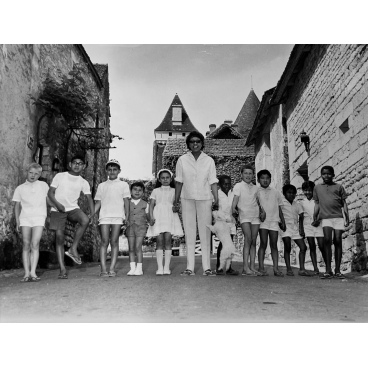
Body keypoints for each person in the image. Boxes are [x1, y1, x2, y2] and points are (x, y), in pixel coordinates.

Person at [174, 131, 219, 277]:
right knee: (190, 233)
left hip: (205, 198)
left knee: (205, 233)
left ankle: (207, 268)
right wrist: (175, 201)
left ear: (202, 143)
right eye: (192, 142)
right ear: (188, 144)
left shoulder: (209, 160)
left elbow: (213, 181)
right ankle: (190, 268)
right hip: (187, 198)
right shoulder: (182, 160)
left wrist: (216, 199)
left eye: (198, 141)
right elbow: (179, 181)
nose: (195, 144)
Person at [48, 154, 94, 279]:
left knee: (85, 220)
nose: (77, 165)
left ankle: (73, 248)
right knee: (59, 238)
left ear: (83, 166)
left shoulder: (83, 182)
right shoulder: (60, 176)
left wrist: (92, 212)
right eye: (75, 162)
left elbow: (89, 198)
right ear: (70, 164)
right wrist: (57, 204)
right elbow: (50, 193)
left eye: (80, 163)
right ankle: (62, 269)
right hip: (58, 209)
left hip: (73, 209)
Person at [12, 163, 51, 282]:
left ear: (40, 174)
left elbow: (49, 200)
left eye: (36, 174)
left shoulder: (44, 185)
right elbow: (17, 206)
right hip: (25, 218)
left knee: (35, 244)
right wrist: (17, 221)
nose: (33, 175)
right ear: (27, 172)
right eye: (31, 173)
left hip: (39, 217)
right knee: (26, 244)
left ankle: (33, 272)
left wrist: (57, 208)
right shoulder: (20, 188)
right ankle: (26, 273)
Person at [93, 159, 130, 277]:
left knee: (114, 241)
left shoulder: (123, 185)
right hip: (104, 216)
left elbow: (126, 202)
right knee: (104, 241)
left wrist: (127, 216)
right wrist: (91, 214)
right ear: (106, 171)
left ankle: (112, 268)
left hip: (118, 216)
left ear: (119, 171)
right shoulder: (102, 185)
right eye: (110, 169)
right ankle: (103, 269)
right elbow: (98, 203)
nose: (112, 171)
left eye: (115, 169)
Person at [313, 166, 349, 279]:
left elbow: (344, 203)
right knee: (327, 240)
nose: (326, 176)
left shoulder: (339, 187)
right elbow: (317, 204)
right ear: (321, 175)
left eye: (329, 174)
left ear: (333, 175)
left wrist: (347, 216)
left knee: (337, 239)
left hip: (338, 217)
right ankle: (328, 270)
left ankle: (337, 269)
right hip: (325, 218)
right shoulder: (317, 188)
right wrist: (315, 216)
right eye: (324, 174)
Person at [147, 169, 184, 275]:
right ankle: (159, 268)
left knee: (168, 240)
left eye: (167, 177)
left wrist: (176, 208)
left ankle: (166, 267)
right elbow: (151, 205)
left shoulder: (174, 190)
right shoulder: (156, 191)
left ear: (171, 178)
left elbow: (177, 205)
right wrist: (151, 216)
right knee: (159, 241)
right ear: (159, 179)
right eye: (162, 178)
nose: (165, 179)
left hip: (169, 216)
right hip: (158, 216)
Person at [232, 166, 263, 276]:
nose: (248, 175)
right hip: (244, 215)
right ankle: (245, 268)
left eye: (250, 173)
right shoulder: (238, 186)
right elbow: (235, 198)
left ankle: (252, 267)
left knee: (254, 241)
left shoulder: (256, 188)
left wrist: (262, 211)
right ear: (241, 174)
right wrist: (233, 208)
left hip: (255, 215)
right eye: (246, 173)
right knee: (248, 239)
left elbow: (259, 201)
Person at [256, 170, 286, 277]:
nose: (265, 180)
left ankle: (276, 268)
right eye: (262, 178)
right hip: (263, 221)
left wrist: (283, 221)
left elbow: (279, 207)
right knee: (263, 243)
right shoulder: (256, 191)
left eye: (267, 178)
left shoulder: (276, 192)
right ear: (258, 179)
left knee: (274, 245)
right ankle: (261, 268)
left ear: (270, 179)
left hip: (274, 220)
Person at [280, 184, 311, 277]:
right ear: (284, 193)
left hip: (295, 228)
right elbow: (278, 213)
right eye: (289, 193)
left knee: (303, 247)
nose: (291, 195)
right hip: (285, 228)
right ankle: (289, 269)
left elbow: (301, 216)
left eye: (293, 193)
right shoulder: (281, 203)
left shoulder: (297, 204)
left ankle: (302, 269)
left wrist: (301, 229)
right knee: (288, 246)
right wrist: (281, 223)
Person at [300, 181, 326, 276]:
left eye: (310, 190)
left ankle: (328, 267)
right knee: (312, 246)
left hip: (318, 224)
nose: (308, 192)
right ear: (303, 191)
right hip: (308, 226)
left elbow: (322, 210)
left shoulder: (318, 200)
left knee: (322, 245)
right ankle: (315, 267)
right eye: (306, 190)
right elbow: (301, 217)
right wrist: (301, 229)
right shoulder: (302, 202)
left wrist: (318, 220)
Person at [215, 175, 238, 275]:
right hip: (221, 223)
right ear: (220, 184)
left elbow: (235, 207)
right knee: (224, 244)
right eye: (225, 184)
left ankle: (229, 268)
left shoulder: (233, 194)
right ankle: (219, 267)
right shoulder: (217, 195)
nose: (227, 186)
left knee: (230, 245)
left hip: (231, 223)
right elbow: (214, 210)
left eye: (229, 184)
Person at [126, 181, 149, 276]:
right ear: (130, 191)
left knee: (138, 247)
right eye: (135, 189)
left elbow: (148, 216)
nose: (137, 192)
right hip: (130, 227)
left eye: (140, 190)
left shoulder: (145, 204)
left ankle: (139, 269)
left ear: (143, 193)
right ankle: (132, 268)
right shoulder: (127, 202)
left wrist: (151, 221)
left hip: (141, 227)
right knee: (131, 248)